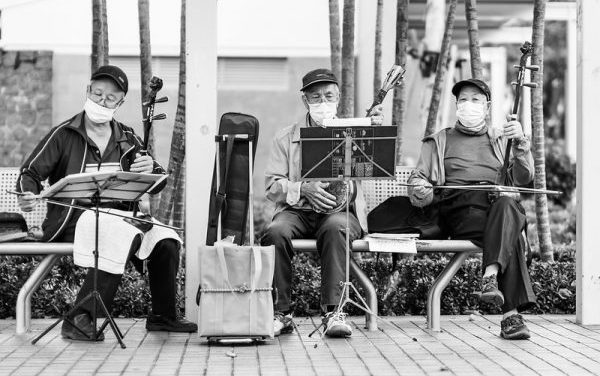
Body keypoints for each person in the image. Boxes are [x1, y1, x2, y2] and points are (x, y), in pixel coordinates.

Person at [17, 65, 197, 340]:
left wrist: (151, 169)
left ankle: (164, 316)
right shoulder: (64, 134)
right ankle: (79, 318)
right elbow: (30, 173)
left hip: (122, 218)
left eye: (110, 98)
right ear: (87, 91)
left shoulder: (127, 137)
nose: (102, 101)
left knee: (166, 239)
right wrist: (26, 195)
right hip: (74, 218)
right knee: (118, 232)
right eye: (98, 93)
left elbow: (158, 181)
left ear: (120, 102)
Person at [408, 78, 536, 340]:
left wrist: (522, 143)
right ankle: (510, 316)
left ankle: (490, 275)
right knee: (510, 229)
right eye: (463, 100)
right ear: (456, 105)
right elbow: (417, 181)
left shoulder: (501, 139)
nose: (469, 105)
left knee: (507, 204)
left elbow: (524, 179)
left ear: (487, 107)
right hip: (458, 208)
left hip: (495, 208)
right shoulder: (439, 140)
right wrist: (421, 187)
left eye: (475, 100)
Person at [261, 68, 383, 338]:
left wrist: (373, 130)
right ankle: (281, 313)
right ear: (305, 101)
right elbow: (272, 187)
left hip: (340, 213)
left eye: (329, 96)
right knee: (274, 232)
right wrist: (304, 188)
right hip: (298, 212)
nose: (323, 102)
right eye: (316, 97)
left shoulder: (355, 131)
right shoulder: (285, 137)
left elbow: (374, 165)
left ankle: (334, 312)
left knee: (335, 228)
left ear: (338, 98)